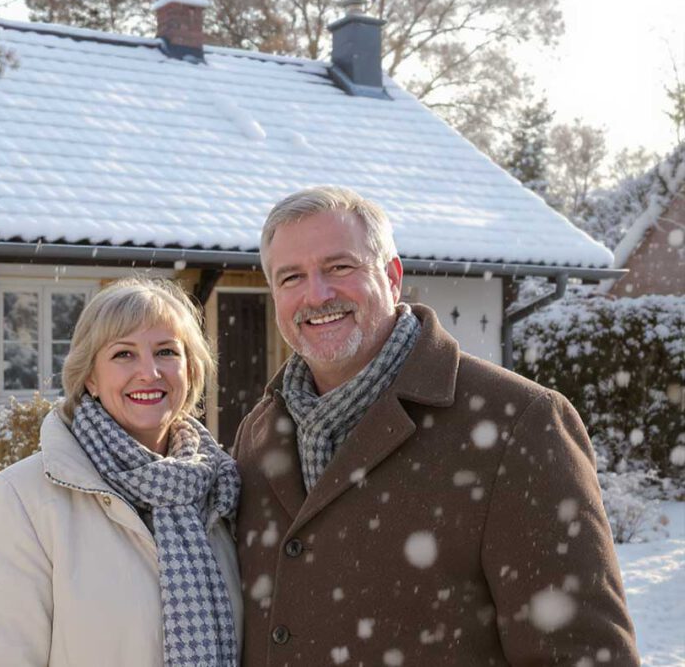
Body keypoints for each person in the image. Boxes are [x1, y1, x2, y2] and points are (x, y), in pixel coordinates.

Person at [233, 186, 639, 665]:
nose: (316, 294)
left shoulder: (518, 423)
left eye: (339, 267)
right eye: (291, 277)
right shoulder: (259, 435)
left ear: (392, 277)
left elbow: (583, 653)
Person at [0, 278, 242, 667]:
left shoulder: (223, 492)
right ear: (90, 377)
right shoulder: (20, 501)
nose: (149, 372)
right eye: (124, 354)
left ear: (190, 370)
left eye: (166, 352)